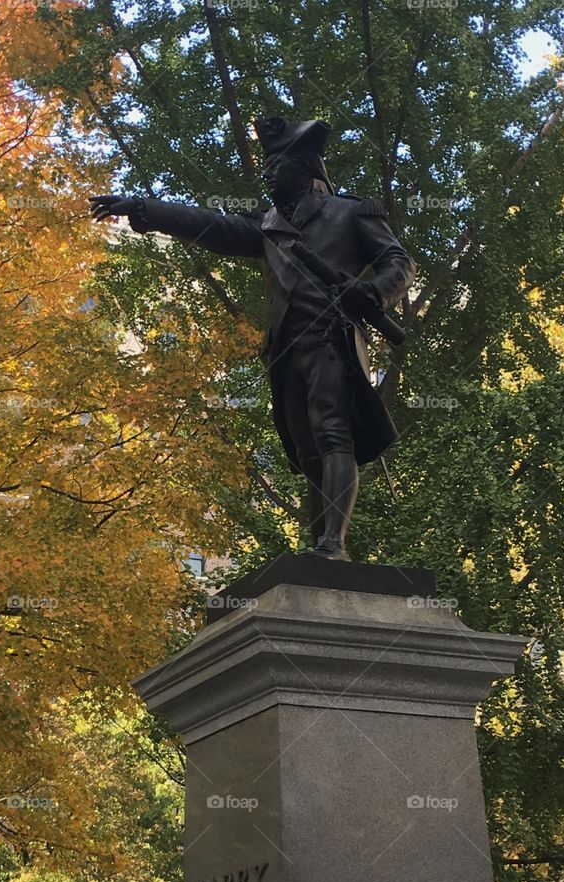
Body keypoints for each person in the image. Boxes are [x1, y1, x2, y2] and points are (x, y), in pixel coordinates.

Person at [90, 116, 416, 561]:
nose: (266, 173)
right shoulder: (267, 227)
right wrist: (144, 208)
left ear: (305, 167)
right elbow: (209, 225)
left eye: (276, 164)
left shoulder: (351, 212)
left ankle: (333, 546)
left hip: (331, 341)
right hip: (286, 351)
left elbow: (397, 262)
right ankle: (320, 549)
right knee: (307, 449)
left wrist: (375, 291)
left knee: (334, 434)